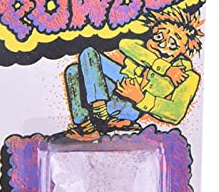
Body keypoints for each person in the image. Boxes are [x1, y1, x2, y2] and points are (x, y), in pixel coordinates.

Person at [62, 7, 203, 141]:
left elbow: (175, 114)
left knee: (83, 62)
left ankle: (101, 119)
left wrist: (140, 98)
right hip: (115, 89)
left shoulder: (189, 76)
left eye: (173, 43)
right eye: (158, 36)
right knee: (77, 65)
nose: (161, 45)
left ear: (184, 49)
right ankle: (89, 123)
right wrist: (165, 68)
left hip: (129, 107)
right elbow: (125, 44)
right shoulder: (141, 50)